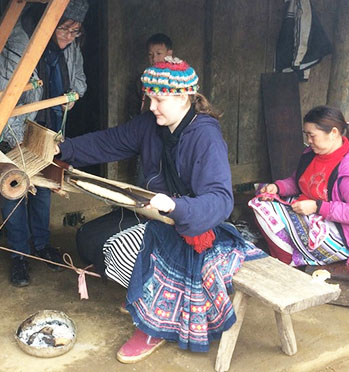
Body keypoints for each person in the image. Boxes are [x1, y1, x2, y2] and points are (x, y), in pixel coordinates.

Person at [57, 57, 264, 362]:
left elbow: (220, 199)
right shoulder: (150, 125)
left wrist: (177, 207)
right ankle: (142, 290)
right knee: (88, 238)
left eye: (158, 99)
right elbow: (108, 142)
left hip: (194, 227)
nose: (151, 106)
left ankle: (156, 324)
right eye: (149, 98)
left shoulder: (205, 137)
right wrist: (62, 149)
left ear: (183, 98)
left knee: (121, 251)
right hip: (156, 215)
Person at [0, 0, 89, 287]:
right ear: (47, 20)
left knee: (42, 190)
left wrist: (72, 97)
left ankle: (41, 247)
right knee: (13, 193)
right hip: (10, 131)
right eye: (64, 28)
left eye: (76, 30)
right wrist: (4, 135)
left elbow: (79, 82)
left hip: (46, 131)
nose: (69, 36)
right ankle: (19, 255)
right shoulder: (15, 43)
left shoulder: (70, 47)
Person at [249, 105, 349, 268]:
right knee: (262, 199)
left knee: (266, 212)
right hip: (314, 210)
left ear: (333, 133)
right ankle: (287, 253)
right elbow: (299, 182)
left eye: (312, 135)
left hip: (343, 235)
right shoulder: (311, 154)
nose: (308, 141)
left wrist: (318, 207)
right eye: (307, 135)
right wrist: (277, 187)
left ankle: (287, 261)